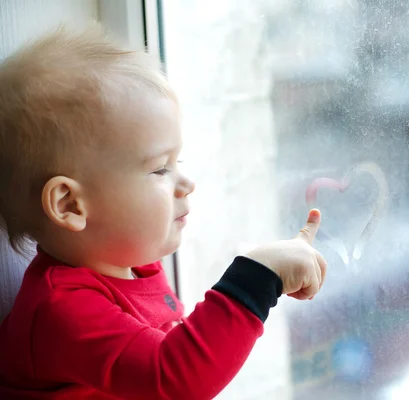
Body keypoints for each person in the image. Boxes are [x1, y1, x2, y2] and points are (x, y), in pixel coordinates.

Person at [0, 26, 327, 400]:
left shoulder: (133, 264)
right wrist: (256, 277)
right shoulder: (60, 310)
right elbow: (172, 379)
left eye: (178, 161)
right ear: (70, 205)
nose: (185, 182)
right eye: (160, 168)